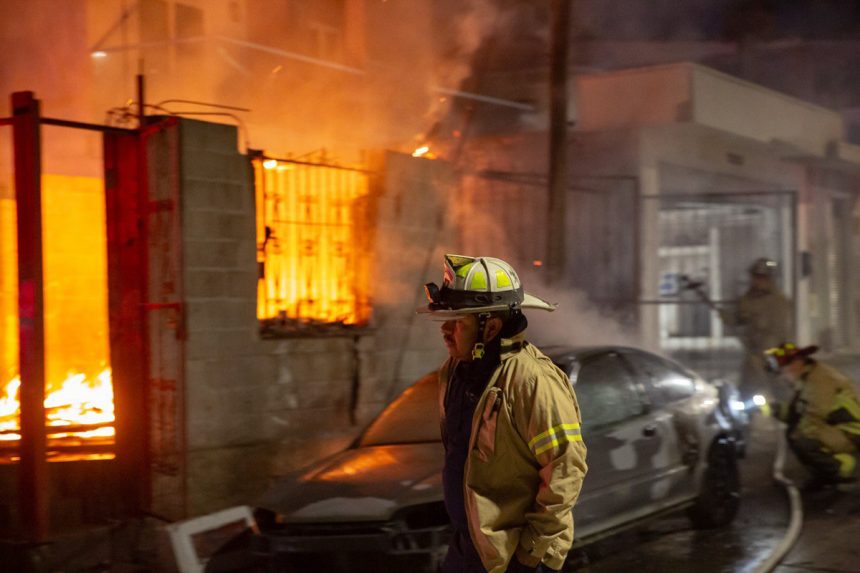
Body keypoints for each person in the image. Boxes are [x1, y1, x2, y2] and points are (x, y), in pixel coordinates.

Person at [418, 254, 588, 573]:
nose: (445, 330)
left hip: (514, 557)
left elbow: (565, 469)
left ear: (491, 327)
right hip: (471, 549)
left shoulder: (533, 382)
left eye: (458, 321)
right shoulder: (453, 372)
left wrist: (530, 552)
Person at [764, 343, 860, 491]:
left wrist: (795, 431)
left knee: (801, 436)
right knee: (797, 433)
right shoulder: (808, 378)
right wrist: (775, 409)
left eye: (783, 372)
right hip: (839, 429)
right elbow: (797, 412)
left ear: (796, 363)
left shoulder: (819, 380)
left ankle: (842, 468)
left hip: (852, 432)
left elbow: (814, 417)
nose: (782, 378)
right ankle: (825, 474)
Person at [719, 257, 793, 401]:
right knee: (747, 392)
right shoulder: (748, 298)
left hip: (772, 356)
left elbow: (778, 332)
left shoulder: (779, 301)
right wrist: (727, 317)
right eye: (755, 277)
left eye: (761, 277)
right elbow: (739, 318)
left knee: (780, 391)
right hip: (753, 356)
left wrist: (766, 353)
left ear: (769, 279)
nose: (757, 281)